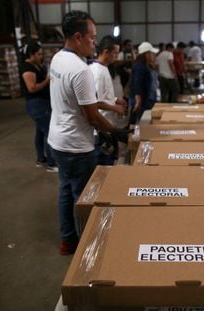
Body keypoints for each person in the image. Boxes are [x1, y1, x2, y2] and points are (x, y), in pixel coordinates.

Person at [48, 10, 117, 255]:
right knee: (84, 198)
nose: (95, 43)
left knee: (66, 191)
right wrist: (116, 132)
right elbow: (92, 115)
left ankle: (68, 241)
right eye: (92, 37)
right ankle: (88, 251)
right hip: (76, 146)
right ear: (78, 37)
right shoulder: (80, 70)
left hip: (57, 140)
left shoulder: (57, 58)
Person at [89, 35, 127, 165]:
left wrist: (116, 100)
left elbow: (102, 95)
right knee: (104, 165)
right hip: (101, 128)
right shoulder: (98, 72)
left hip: (108, 124)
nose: (117, 56)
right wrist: (115, 108)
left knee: (110, 159)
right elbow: (96, 102)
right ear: (106, 52)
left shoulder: (103, 68)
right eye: (115, 53)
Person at [20, 41, 58, 172]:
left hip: (41, 103)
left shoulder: (35, 66)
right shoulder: (27, 68)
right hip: (37, 104)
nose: (41, 56)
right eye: (38, 54)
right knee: (49, 132)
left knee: (40, 132)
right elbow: (31, 88)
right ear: (31, 54)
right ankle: (52, 164)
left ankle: (41, 158)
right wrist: (47, 80)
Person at [129, 42, 159, 124]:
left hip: (147, 99)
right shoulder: (140, 67)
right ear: (146, 54)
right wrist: (138, 100)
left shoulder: (146, 66)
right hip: (141, 101)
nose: (154, 56)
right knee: (141, 121)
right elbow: (137, 82)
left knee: (146, 120)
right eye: (152, 54)